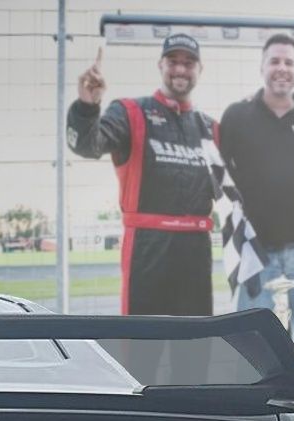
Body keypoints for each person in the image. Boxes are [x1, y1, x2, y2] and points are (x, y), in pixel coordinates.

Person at [67, 34, 217, 315]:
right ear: (160, 65)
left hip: (196, 250)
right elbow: (88, 145)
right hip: (147, 247)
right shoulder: (130, 111)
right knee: (141, 348)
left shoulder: (211, 128)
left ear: (200, 69)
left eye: (189, 62)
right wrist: (87, 107)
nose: (181, 69)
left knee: (197, 349)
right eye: (173, 61)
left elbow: (244, 182)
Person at [219, 35, 294, 343]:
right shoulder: (237, 116)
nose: (282, 68)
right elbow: (215, 179)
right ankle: (266, 396)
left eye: (289, 62)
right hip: (255, 251)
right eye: (275, 61)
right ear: (262, 67)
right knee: (257, 348)